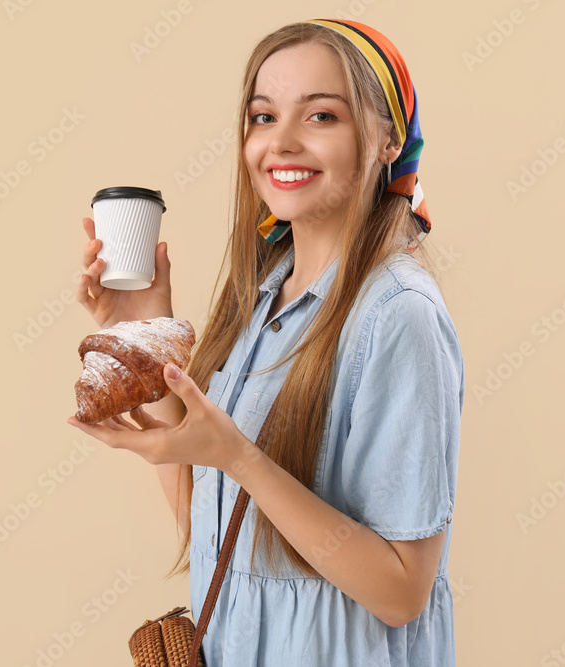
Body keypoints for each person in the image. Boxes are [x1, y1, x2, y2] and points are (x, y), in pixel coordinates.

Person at [68, 19, 464, 666]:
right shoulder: (262, 300)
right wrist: (146, 329)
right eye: (262, 116)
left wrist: (242, 457)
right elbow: (213, 527)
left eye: (321, 117)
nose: (280, 143)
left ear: (388, 139)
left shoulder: (398, 315)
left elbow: (401, 590)